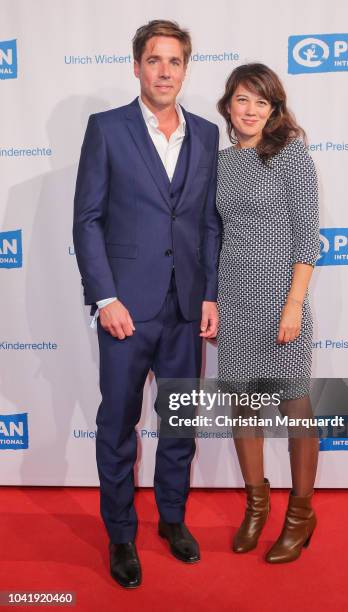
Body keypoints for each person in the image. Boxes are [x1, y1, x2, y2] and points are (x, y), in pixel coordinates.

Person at [73, 20, 221, 588]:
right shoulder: (107, 129)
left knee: (179, 422)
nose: (165, 71)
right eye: (154, 60)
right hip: (125, 312)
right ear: (136, 66)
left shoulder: (207, 134)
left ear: (186, 68)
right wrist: (104, 297)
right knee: (117, 424)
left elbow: (208, 222)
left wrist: (208, 293)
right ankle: (120, 534)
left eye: (175, 61)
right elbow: (87, 219)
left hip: (186, 307)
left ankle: (173, 520)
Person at [216, 63, 320, 563]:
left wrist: (294, 303)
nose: (251, 110)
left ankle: (300, 516)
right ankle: (256, 506)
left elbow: (307, 234)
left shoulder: (291, 154)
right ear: (228, 106)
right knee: (243, 406)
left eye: (262, 101)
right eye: (242, 99)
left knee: (294, 408)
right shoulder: (220, 162)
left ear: (274, 109)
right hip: (235, 298)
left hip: (282, 299)